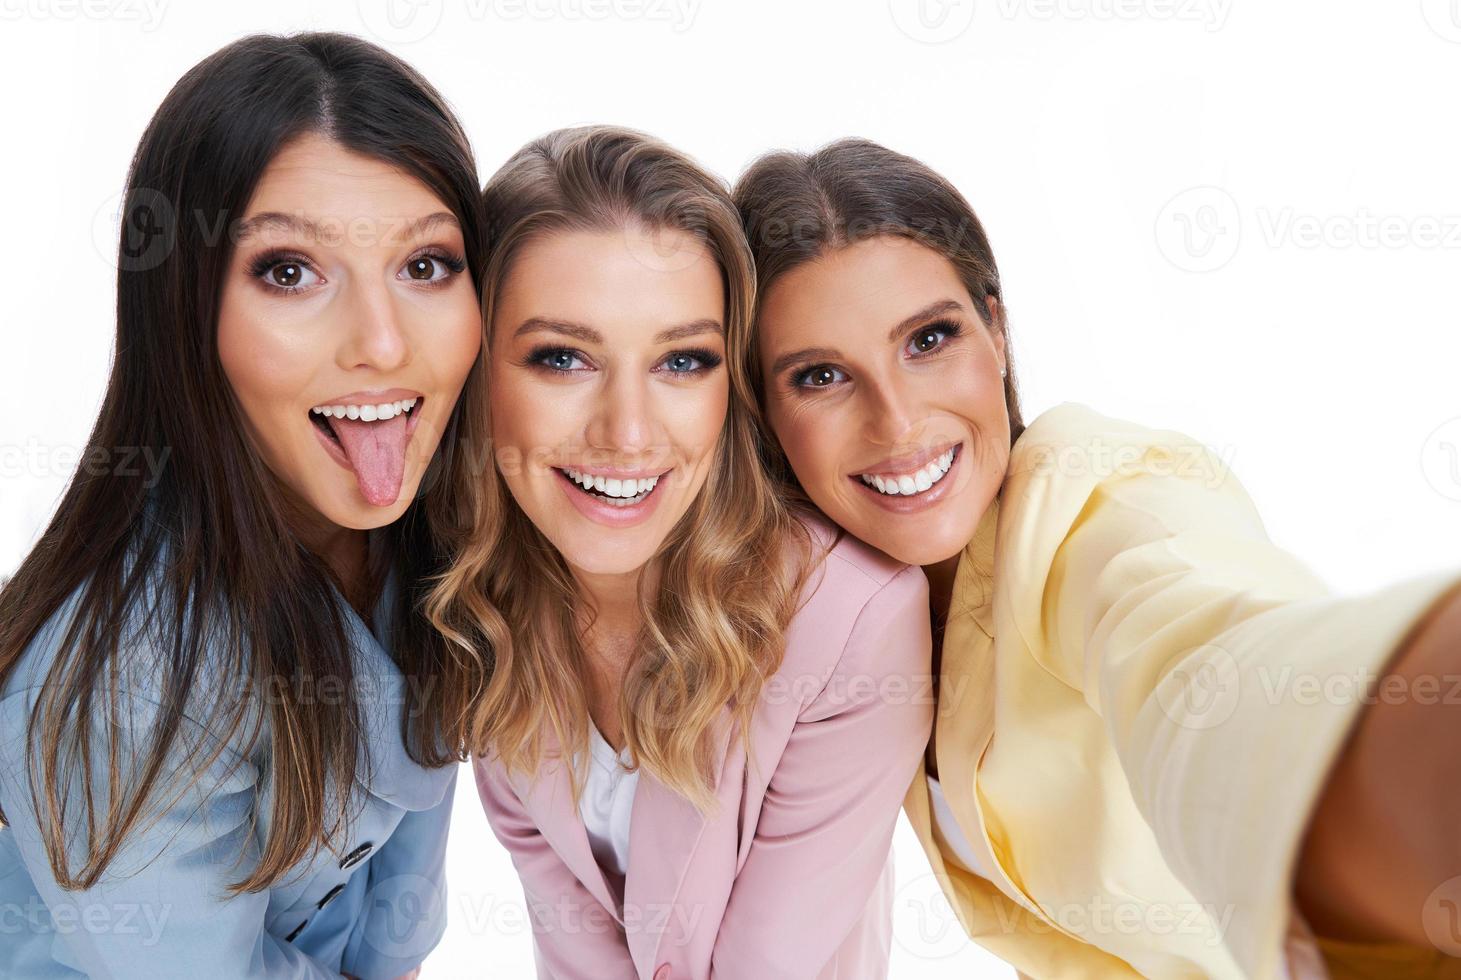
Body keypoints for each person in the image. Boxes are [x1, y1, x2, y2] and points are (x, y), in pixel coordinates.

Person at [734, 136, 1461, 980]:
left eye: (928, 340)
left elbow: (1209, 657)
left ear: (994, 329)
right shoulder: (853, 613)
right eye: (819, 377)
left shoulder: (1101, 501)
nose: (896, 422)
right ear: (761, 413)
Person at [0, 32, 484, 979]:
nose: (383, 345)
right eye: (289, 271)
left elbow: (402, 908)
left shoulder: (429, 533)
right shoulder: (130, 684)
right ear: (186, 307)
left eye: (425, 264)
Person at [424, 125, 934, 979]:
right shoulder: (483, 604)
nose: (626, 433)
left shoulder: (848, 615)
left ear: (728, 387)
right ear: (477, 372)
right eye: (562, 358)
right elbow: (574, 950)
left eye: (682, 360)